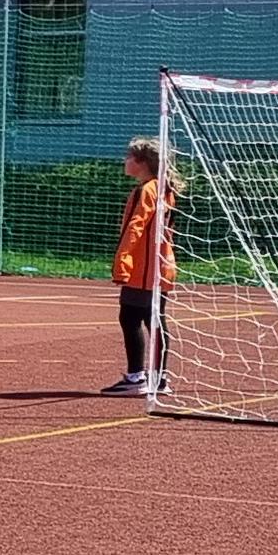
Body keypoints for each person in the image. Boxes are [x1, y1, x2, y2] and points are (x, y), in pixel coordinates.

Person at [107, 136, 175, 397]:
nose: (124, 161)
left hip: (144, 268)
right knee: (153, 320)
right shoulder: (164, 187)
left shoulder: (145, 191)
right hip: (161, 264)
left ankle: (138, 376)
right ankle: (159, 378)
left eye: (128, 157)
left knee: (132, 317)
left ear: (141, 162)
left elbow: (134, 228)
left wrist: (122, 261)